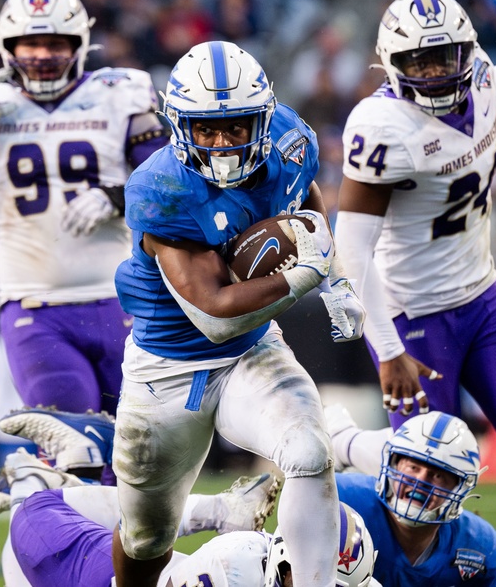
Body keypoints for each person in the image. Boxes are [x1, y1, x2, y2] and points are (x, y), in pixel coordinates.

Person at [333, 0, 496, 587]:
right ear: (391, 65)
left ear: (466, 53)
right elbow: (352, 251)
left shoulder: (477, 84)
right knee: (420, 475)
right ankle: (346, 443)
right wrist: (388, 349)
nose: (431, 73)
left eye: (443, 57)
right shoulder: (380, 126)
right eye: (417, 63)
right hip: (413, 316)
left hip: (482, 295)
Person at [110, 40, 366, 587]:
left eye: (237, 127)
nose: (223, 143)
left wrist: (337, 273)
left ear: (264, 119)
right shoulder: (161, 188)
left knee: (308, 451)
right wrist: (306, 276)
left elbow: (304, 198)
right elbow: (216, 314)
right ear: (180, 126)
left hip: (250, 354)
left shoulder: (291, 143)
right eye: (206, 129)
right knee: (145, 536)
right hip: (167, 371)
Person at [0, 0, 168, 423]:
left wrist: (119, 195)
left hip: (121, 300)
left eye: (54, 43)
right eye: (30, 44)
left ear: (80, 44)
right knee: (74, 449)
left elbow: (172, 183)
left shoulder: (120, 93)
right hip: (34, 308)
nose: (42, 56)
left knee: (138, 458)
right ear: (7, 48)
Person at [0, 407, 378, 587]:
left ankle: (81, 466)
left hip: (116, 549)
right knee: (26, 520)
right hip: (60, 555)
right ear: (282, 561)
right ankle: (32, 477)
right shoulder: (232, 569)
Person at [328, 409, 496, 586]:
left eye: (437, 475)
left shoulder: (479, 546)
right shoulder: (343, 497)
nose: (420, 480)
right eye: (413, 467)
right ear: (393, 464)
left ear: (459, 488)